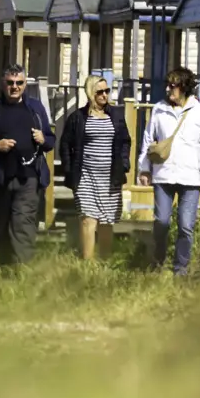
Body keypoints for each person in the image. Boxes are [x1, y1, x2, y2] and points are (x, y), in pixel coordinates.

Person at [0, 63, 52, 267]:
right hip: (0, 177)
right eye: (10, 83)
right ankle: (5, 272)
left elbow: (50, 140)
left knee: (23, 225)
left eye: (19, 83)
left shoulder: (36, 109)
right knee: (1, 227)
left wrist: (43, 138)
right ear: (3, 84)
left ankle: (24, 273)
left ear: (25, 84)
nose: (15, 87)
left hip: (30, 176)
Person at [137, 66, 200, 277]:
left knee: (185, 225)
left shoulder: (199, 112)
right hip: (163, 175)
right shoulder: (159, 109)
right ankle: (158, 262)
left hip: (191, 178)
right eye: (168, 85)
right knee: (161, 221)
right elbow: (148, 141)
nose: (169, 89)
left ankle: (180, 269)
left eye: (173, 86)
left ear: (184, 87)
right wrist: (144, 169)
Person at [58, 72, 130, 263]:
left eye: (107, 91)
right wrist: (69, 168)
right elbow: (65, 143)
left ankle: (105, 263)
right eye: (100, 92)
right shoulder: (78, 118)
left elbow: (125, 142)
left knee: (107, 222)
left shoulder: (116, 116)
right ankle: (87, 264)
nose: (105, 95)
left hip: (110, 178)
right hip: (86, 177)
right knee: (88, 219)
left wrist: (124, 164)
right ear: (91, 93)